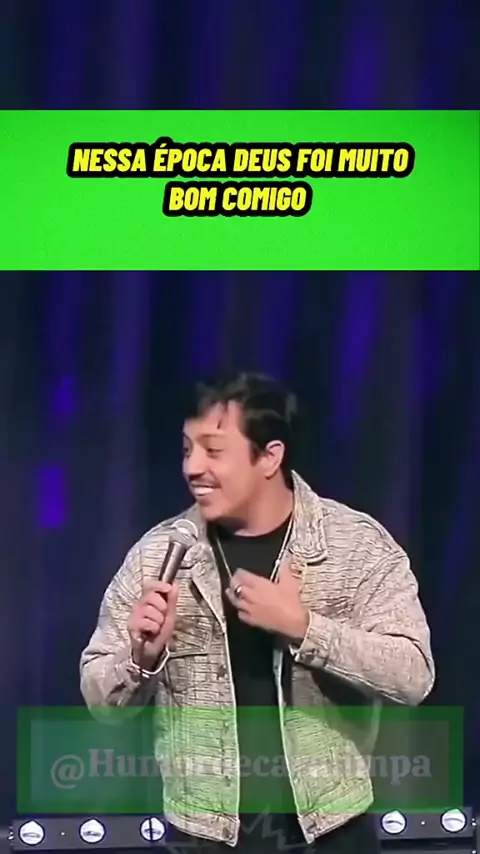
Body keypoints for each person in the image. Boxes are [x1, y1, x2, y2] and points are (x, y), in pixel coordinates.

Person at [80, 372, 435, 853]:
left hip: (331, 830)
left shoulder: (354, 546)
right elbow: (102, 701)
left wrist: (304, 628)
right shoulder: (158, 555)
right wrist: (141, 659)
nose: (193, 467)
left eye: (213, 451)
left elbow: (413, 675)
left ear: (270, 456)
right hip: (202, 836)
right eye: (187, 449)